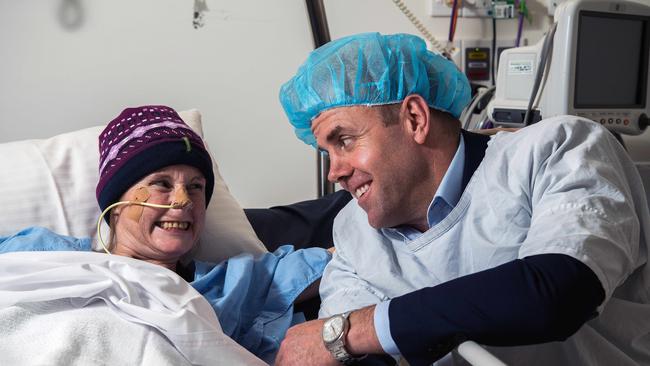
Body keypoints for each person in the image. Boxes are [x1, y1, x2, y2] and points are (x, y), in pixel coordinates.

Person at [275, 32, 650, 365]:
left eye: (345, 141)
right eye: (327, 152)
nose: (333, 172)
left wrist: (356, 331)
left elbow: (563, 289)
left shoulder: (556, 151)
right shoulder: (354, 232)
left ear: (415, 119)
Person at [0, 105, 331, 364]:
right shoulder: (43, 254)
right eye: (161, 184)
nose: (183, 201)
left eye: (196, 187)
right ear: (115, 203)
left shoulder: (235, 283)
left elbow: (349, 256)